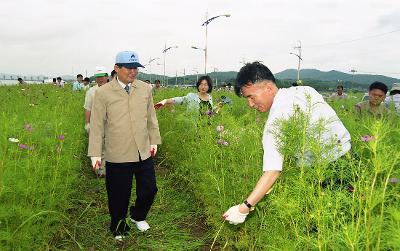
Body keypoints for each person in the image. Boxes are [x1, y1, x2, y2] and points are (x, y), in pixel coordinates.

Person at [223, 62, 351, 225]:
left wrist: (244, 208)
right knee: (350, 222)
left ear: (268, 88)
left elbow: (272, 171)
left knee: (322, 226)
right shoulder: (306, 90)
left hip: (323, 173)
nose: (250, 104)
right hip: (349, 159)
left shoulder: (276, 120)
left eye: (251, 96)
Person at [88, 51, 161, 240]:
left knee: (150, 188)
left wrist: (154, 140)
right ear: (116, 68)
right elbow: (96, 125)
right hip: (117, 153)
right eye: (129, 68)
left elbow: (151, 118)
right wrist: (95, 154)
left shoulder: (144, 89)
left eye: (135, 68)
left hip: (142, 150)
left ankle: (138, 216)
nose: (133, 72)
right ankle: (118, 226)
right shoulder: (103, 93)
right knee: (119, 193)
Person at [83, 66, 109, 177]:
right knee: (97, 147)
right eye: (98, 77)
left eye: (102, 76)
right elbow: (88, 108)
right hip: (95, 123)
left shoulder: (113, 89)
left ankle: (107, 169)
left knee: (109, 146)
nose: (100, 79)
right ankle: (99, 170)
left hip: (110, 123)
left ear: (106, 77)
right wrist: (87, 123)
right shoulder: (91, 92)